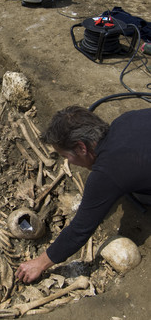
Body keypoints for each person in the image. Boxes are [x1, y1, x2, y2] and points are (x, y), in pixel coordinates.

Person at [15, 106, 151, 284]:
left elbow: (79, 230)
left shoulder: (107, 173)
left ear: (81, 147)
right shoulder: (125, 119)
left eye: (66, 155)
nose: (67, 161)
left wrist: (40, 263)